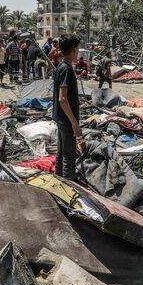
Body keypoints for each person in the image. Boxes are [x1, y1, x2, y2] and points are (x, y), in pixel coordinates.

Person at [53, 33, 83, 180]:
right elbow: (62, 99)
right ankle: (68, 188)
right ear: (72, 51)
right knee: (69, 157)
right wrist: (74, 123)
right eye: (77, 50)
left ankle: (58, 182)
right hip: (66, 121)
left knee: (61, 153)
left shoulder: (60, 67)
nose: (78, 53)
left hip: (60, 118)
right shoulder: (67, 70)